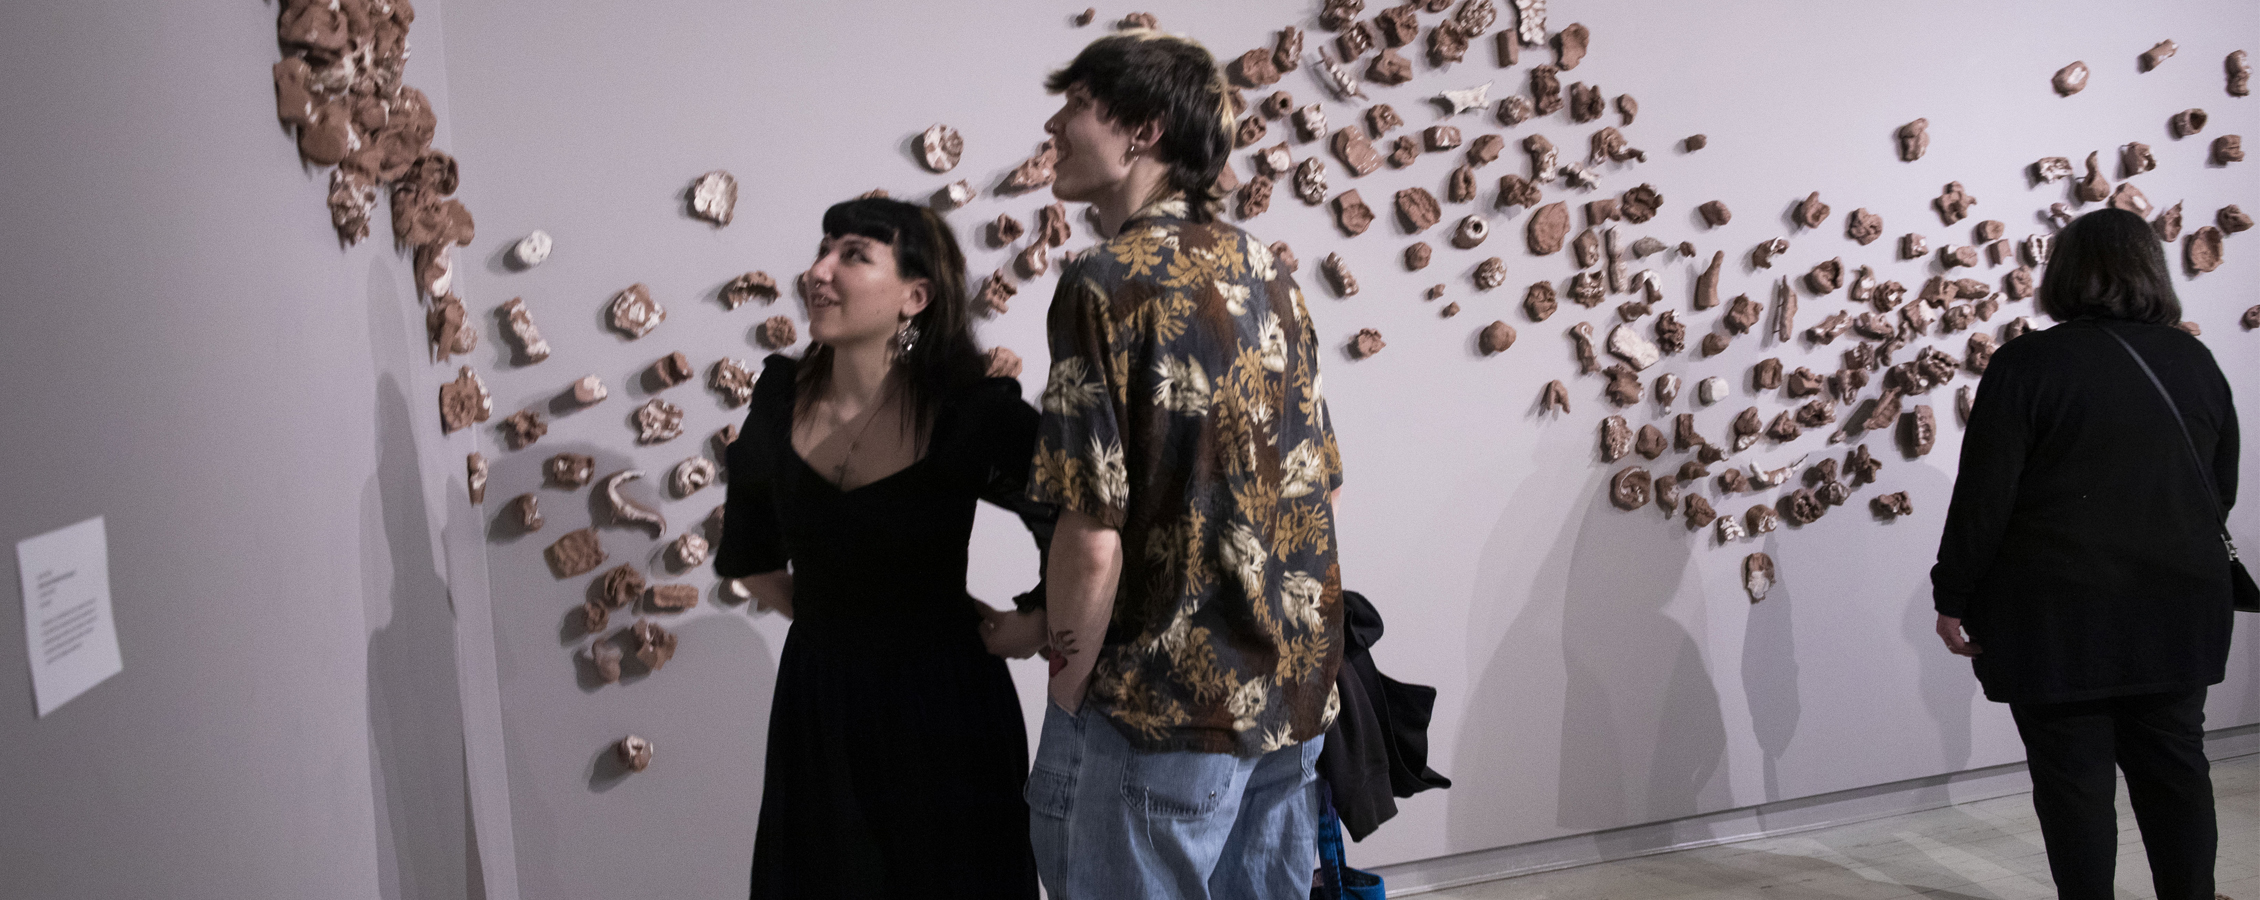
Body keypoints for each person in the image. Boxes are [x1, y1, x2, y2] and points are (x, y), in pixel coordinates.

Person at [1013, 30, 1347, 900]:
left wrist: (1069, 688)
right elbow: (1318, 481)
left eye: (1079, 103)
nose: (1054, 120)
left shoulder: (1104, 282)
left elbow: (1093, 529)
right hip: (1290, 690)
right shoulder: (1271, 275)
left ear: (1143, 131)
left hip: (1158, 706)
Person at [714, 196, 1055, 900]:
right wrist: (837, 620)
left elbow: (1076, 516)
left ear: (915, 296)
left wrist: (1036, 623)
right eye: (822, 249)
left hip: (947, 713)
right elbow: (749, 552)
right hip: (821, 712)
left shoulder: (968, 413)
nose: (818, 271)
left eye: (853, 255)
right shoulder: (779, 396)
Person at [1930, 207, 2238, 900]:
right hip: (2180, 604)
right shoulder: (2194, 361)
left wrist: (1952, 597)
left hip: (2058, 613)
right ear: (2152, 271)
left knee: (2074, 784)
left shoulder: (2027, 364)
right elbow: (2221, 489)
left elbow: (1984, 500)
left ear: (2063, 272)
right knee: (2177, 771)